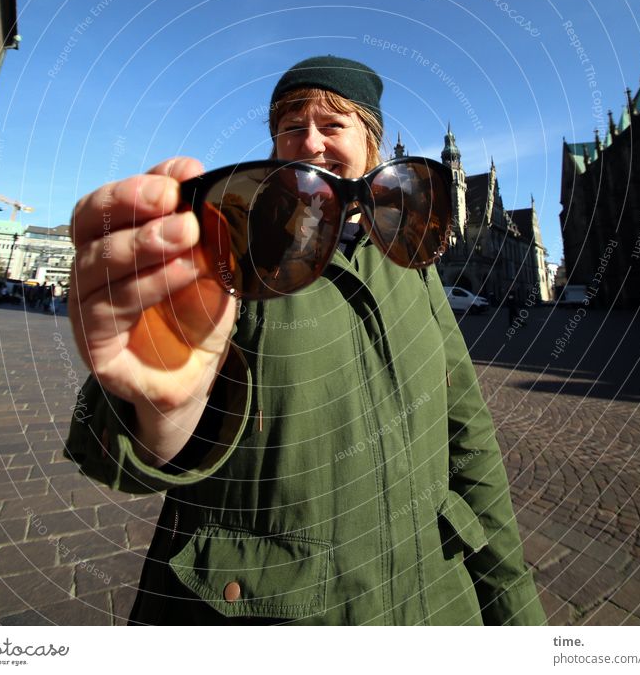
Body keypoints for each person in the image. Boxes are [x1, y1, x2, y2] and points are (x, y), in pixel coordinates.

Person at [65, 55, 546, 626]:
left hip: (436, 602)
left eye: (332, 125)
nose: (310, 141)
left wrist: (517, 620)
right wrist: (157, 408)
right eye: (292, 127)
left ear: (373, 145)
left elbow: (468, 437)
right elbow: (122, 456)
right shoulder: (232, 246)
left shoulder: (412, 258)